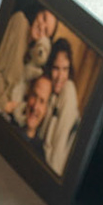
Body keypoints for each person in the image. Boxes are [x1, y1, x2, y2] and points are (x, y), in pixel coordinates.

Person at [0, 4, 58, 116]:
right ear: (38, 13)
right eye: (44, 18)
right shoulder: (20, 23)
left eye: (46, 31)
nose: (42, 27)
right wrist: (4, 104)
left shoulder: (30, 55)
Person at [39, 38, 80, 175]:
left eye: (65, 69)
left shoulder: (68, 90)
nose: (60, 76)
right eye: (56, 68)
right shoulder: (50, 94)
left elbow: (56, 160)